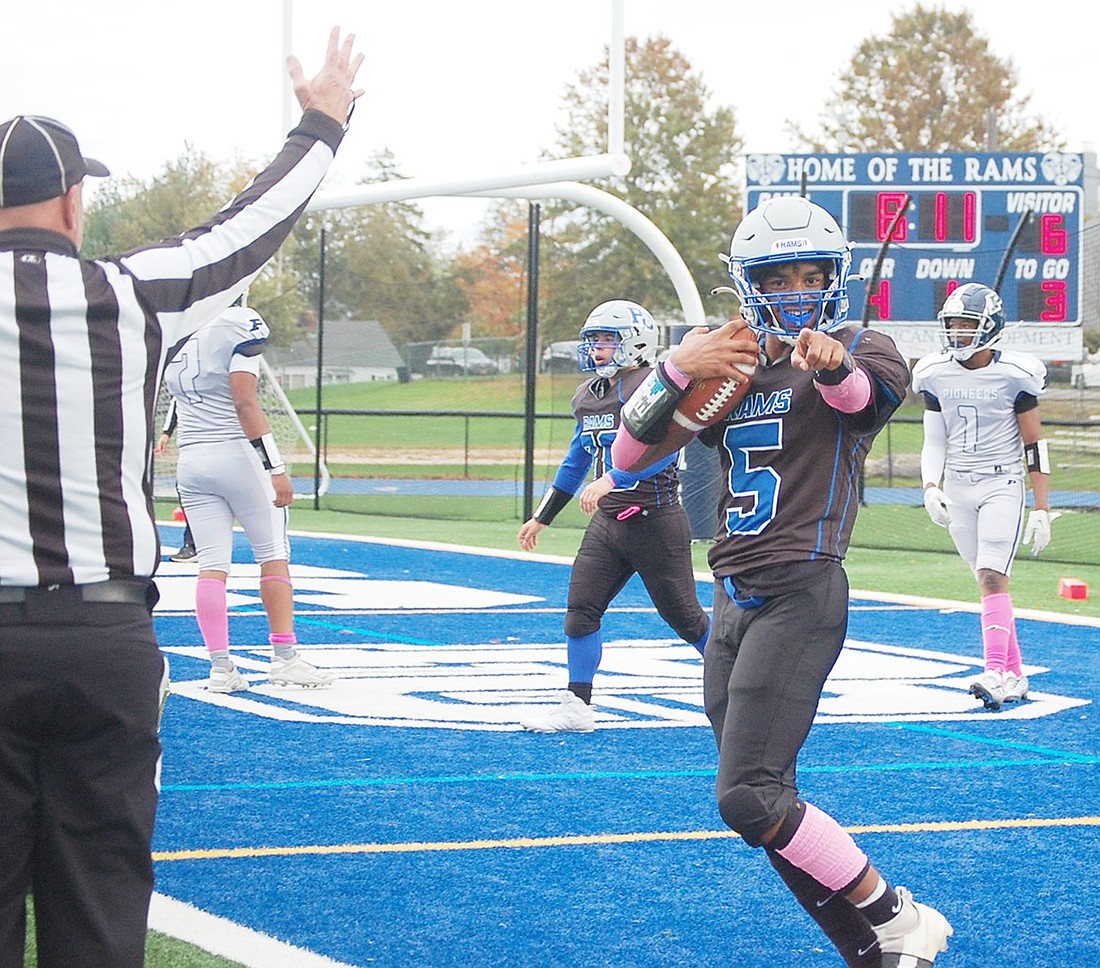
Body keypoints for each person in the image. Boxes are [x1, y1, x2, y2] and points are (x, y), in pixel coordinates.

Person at [0, 28, 361, 968]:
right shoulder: (131, 294)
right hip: (103, 638)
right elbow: (248, 226)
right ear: (76, 201)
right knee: (99, 903)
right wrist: (322, 121)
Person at [612, 196, 952, 966]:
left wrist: (832, 367)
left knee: (747, 795)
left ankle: (896, 916)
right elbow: (630, 460)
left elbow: (860, 401)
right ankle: (872, 954)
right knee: (767, 805)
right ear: (748, 281)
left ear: (836, 278)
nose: (798, 289)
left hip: (802, 588)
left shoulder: (863, 345)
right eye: (779, 274)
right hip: (731, 596)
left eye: (812, 273)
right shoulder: (728, 361)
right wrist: (674, 369)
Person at [517, 300, 710, 733]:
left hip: (654, 519)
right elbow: (575, 461)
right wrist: (542, 518)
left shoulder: (651, 385)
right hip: (609, 525)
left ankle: (740, 684)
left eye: (607, 339)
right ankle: (577, 705)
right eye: (594, 341)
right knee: (580, 611)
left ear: (635, 342)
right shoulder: (589, 396)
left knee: (686, 619)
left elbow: (666, 449)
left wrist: (614, 478)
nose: (598, 349)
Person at [164, 304, 332, 692]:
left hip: (191, 460)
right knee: (273, 555)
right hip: (238, 456)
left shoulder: (178, 330)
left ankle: (221, 667)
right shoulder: (237, 323)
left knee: (212, 566)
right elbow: (244, 401)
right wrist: (275, 467)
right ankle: (285, 658)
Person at [912, 282, 1057, 711]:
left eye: (966, 325)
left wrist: (1043, 508)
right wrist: (930, 486)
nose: (957, 333)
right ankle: (1015, 676)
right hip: (958, 485)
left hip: (1001, 484)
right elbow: (934, 439)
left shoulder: (1016, 374)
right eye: (953, 325)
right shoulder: (935, 372)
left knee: (994, 577)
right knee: (986, 582)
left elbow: (1035, 444)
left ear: (989, 327)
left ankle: (994, 671)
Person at [154, 397, 198, 562]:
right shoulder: (183, 376)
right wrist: (167, 432)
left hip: (227, 445)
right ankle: (194, 545)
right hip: (193, 447)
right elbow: (177, 398)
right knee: (187, 489)